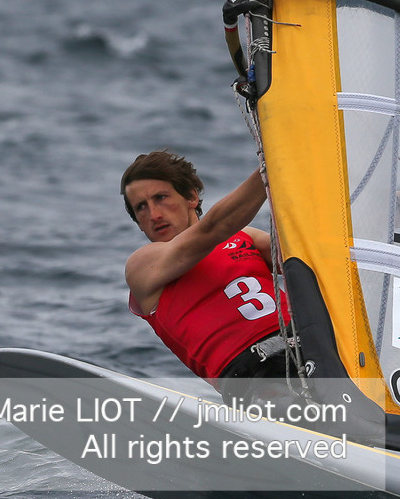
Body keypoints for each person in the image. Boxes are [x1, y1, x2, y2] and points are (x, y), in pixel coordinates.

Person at [122, 149, 291, 385]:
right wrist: (275, 161)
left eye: (161, 197)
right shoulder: (141, 266)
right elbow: (213, 229)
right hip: (251, 372)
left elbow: (308, 258)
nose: (154, 214)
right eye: (141, 207)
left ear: (191, 197)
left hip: (309, 342)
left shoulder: (245, 236)